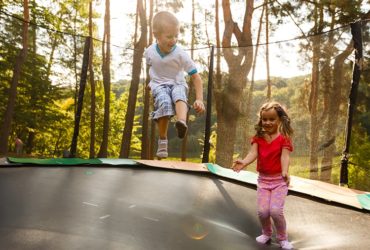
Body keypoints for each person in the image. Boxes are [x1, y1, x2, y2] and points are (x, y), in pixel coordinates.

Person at [232, 101, 294, 250]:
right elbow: (253, 153)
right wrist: (244, 162)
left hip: (279, 180)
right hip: (263, 180)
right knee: (262, 212)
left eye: (272, 119)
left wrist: (285, 171)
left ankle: (282, 239)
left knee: (276, 211)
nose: (267, 122)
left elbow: (285, 157)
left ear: (279, 120)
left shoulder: (284, 138)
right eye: (264, 119)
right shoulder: (258, 137)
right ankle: (266, 233)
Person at [144, 11, 205, 159]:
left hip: (177, 82)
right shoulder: (150, 52)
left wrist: (199, 99)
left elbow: (196, 78)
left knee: (179, 95)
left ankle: (181, 123)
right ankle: (163, 140)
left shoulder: (181, 54)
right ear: (156, 35)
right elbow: (151, 67)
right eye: (169, 36)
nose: (174, 40)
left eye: (176, 36)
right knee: (164, 103)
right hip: (159, 85)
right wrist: (149, 83)